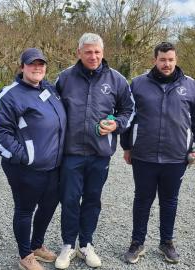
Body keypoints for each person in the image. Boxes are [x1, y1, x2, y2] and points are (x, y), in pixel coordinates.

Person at [120, 42, 195, 264]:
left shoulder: (190, 86)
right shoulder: (138, 84)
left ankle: (166, 243)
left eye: (170, 59)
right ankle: (137, 242)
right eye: (162, 59)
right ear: (155, 60)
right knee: (142, 200)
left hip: (176, 157)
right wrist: (126, 147)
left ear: (176, 59)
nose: (167, 64)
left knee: (170, 201)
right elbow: (128, 117)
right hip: (144, 155)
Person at [54, 33, 135, 269]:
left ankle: (86, 244)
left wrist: (117, 124)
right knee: (69, 200)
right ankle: (68, 244)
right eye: (88, 52)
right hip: (71, 153)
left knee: (92, 200)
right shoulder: (65, 78)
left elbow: (129, 110)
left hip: (100, 155)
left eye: (97, 52)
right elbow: (51, 110)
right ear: (78, 52)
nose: (93, 56)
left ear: (103, 52)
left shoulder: (117, 79)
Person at [0, 48, 66, 270]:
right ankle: (25, 255)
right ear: (22, 67)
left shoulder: (50, 90)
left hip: (53, 166)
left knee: (49, 205)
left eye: (41, 64)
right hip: (26, 168)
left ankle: (37, 244)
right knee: (25, 210)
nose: (37, 67)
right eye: (32, 64)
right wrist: (25, 157)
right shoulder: (10, 95)